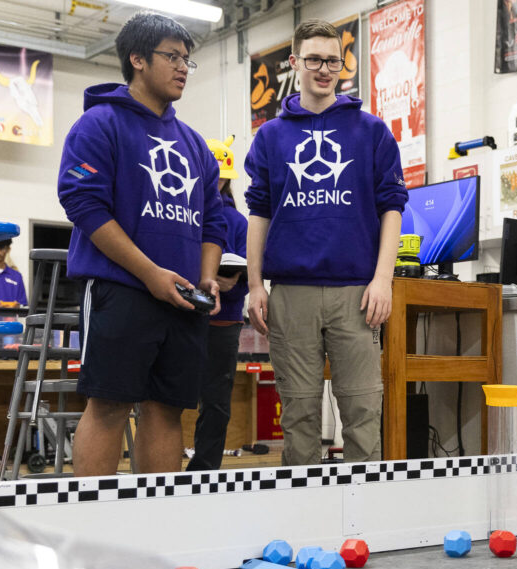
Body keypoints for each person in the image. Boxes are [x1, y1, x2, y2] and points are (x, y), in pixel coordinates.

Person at [57, 11, 225, 476]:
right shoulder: (99, 125)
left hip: (184, 298)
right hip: (121, 290)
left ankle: (155, 526)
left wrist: (207, 277)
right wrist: (149, 273)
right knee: (109, 404)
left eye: (187, 60)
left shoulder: (195, 146)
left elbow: (214, 220)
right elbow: (83, 205)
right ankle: (90, 533)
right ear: (136, 59)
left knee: (167, 409)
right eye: (171, 56)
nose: (182, 69)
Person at [245, 18, 407, 465]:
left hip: (356, 293)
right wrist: (255, 285)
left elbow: (392, 206)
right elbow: (258, 212)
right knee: (298, 415)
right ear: (295, 62)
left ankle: (360, 521)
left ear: (342, 65)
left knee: (362, 410)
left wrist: (383, 280)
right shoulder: (270, 137)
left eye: (333, 60)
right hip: (291, 294)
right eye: (314, 59)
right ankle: (304, 516)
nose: (324, 69)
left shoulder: (371, 130)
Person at [187, 135, 248, 471]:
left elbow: (253, 269)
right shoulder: (186, 214)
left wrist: (234, 281)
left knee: (215, 401)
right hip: (186, 317)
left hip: (223, 322)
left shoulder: (238, 223)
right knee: (179, 396)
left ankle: (205, 468)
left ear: (225, 178)